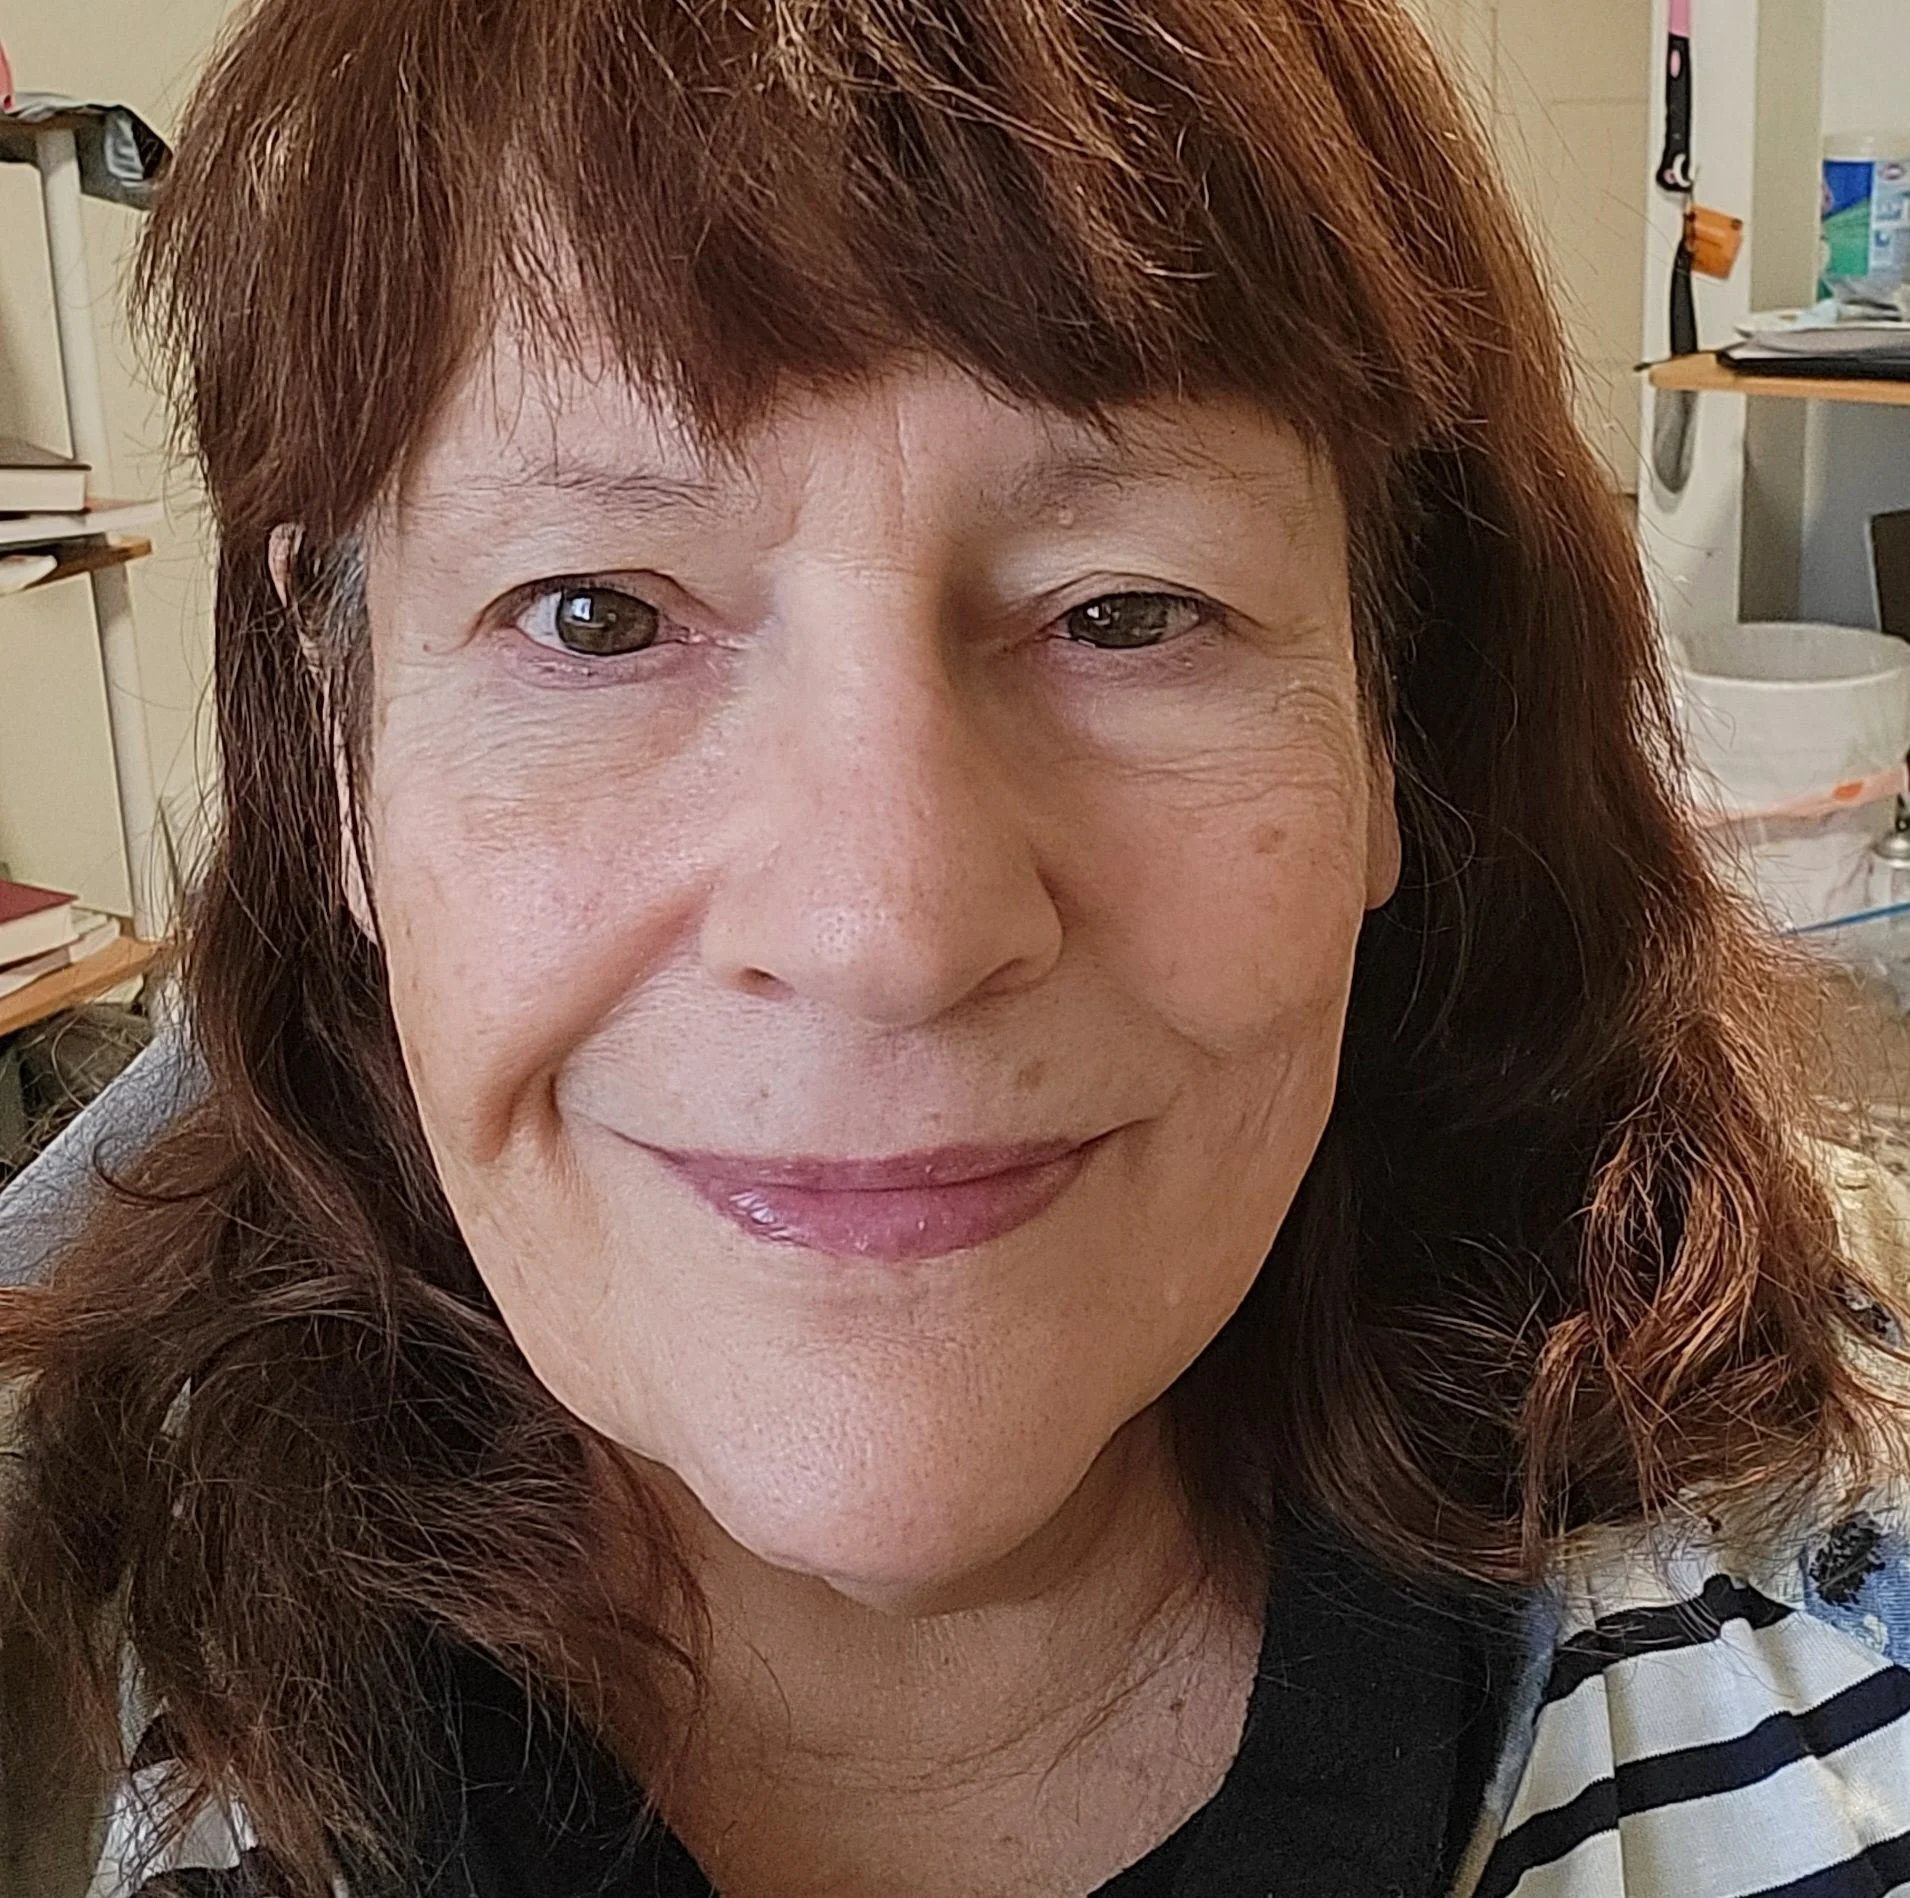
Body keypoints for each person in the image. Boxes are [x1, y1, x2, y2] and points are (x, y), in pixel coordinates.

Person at [4, 1, 1910, 1894]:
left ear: (1390, 725)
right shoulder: (88, 1697)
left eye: (1130, 610)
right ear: (336, 752)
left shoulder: (1834, 1684)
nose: (885, 926)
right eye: (593, 614)